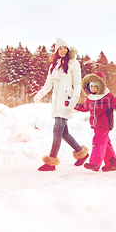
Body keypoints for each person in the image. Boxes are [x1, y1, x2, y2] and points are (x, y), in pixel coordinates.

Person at [34, 38, 88, 171]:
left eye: (65, 48)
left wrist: (74, 99)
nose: (63, 50)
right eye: (60, 48)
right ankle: (81, 154)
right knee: (63, 133)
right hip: (57, 102)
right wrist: (39, 95)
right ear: (57, 50)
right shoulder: (54, 65)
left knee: (57, 129)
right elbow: (48, 84)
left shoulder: (73, 63)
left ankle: (51, 162)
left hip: (67, 101)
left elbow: (77, 84)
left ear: (68, 49)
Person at [74, 71, 116, 172]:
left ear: (101, 85)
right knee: (105, 143)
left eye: (96, 86)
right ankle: (111, 163)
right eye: (91, 86)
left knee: (97, 142)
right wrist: (73, 104)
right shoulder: (90, 98)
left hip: (104, 123)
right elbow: (84, 107)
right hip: (96, 124)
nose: (93, 88)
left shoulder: (107, 96)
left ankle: (94, 163)